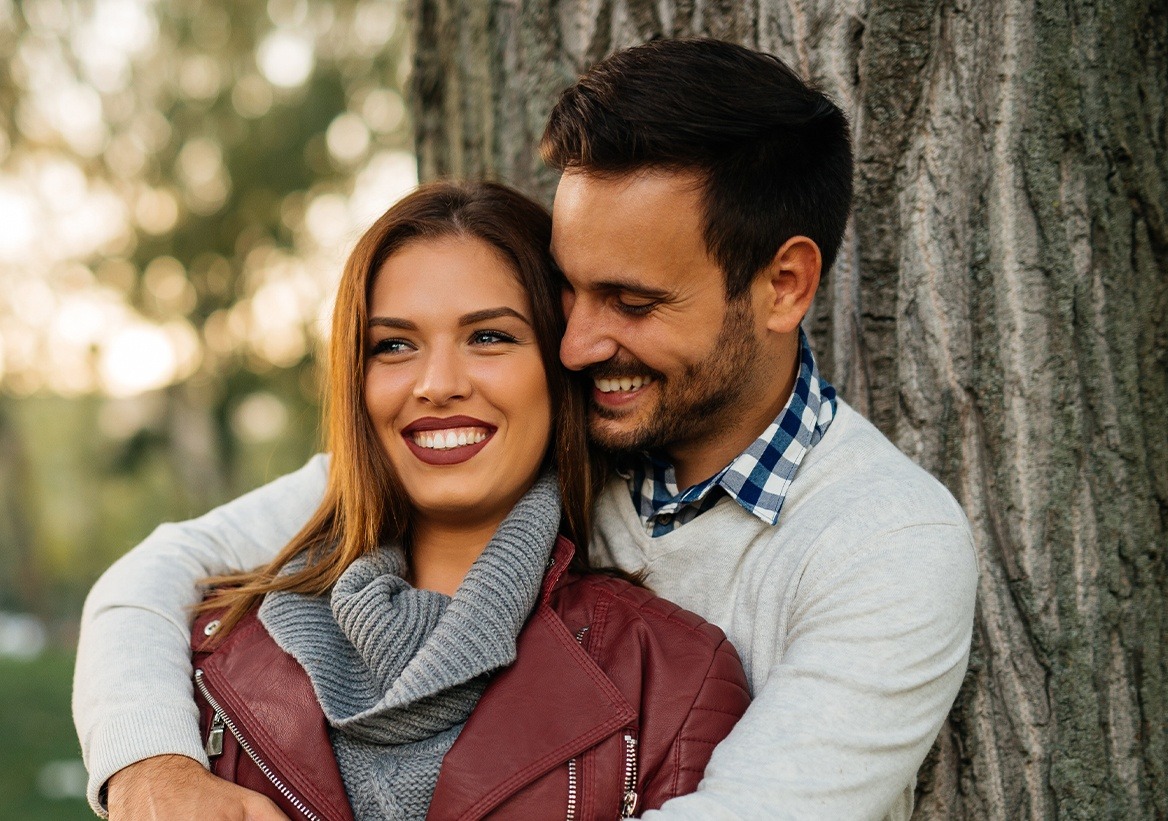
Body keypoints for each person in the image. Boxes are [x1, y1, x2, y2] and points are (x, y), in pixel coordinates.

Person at [74, 38, 978, 820]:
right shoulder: (546, 423)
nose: (577, 343)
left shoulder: (887, 545)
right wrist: (151, 765)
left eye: (631, 302)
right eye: (568, 292)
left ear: (783, 284)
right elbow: (156, 572)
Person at [91, 179, 750, 820]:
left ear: (561, 367)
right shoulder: (209, 649)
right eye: (394, 345)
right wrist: (149, 762)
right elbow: (145, 575)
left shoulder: (673, 680)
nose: (436, 384)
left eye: (489, 336)